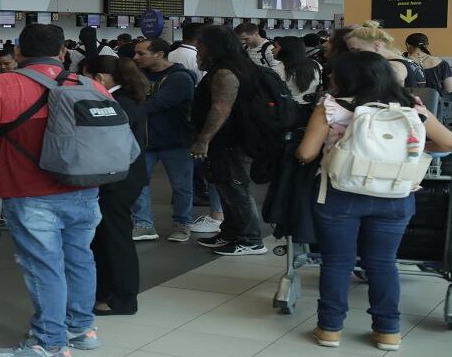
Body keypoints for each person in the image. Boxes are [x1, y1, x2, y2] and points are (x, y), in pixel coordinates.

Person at [0, 23, 104, 357]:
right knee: (80, 259)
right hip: (85, 190)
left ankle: (50, 346)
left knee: (43, 267)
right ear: (63, 53)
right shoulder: (90, 85)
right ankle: (81, 329)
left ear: (20, 53)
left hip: (30, 192)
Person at [296, 51, 452, 351]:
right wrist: (417, 148)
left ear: (347, 77)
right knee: (383, 263)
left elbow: (306, 153)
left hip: (340, 194)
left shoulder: (331, 107)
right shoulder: (413, 106)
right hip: (395, 195)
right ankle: (388, 331)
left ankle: (330, 329)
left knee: (336, 262)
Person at [192, 25, 267, 256]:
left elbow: (221, 108)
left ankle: (251, 239)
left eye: (200, 45)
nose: (197, 50)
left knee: (236, 189)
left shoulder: (226, 71)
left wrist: (203, 139)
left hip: (231, 140)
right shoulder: (235, 65)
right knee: (225, 186)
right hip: (228, 140)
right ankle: (232, 232)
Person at [83, 55, 147, 316]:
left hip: (117, 180)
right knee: (107, 239)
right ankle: (106, 292)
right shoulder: (129, 99)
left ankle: (122, 299)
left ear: (99, 78)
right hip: (125, 177)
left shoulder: (116, 103)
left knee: (115, 239)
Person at [130, 38, 202, 243]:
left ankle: (182, 223)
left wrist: (128, 108)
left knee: (182, 186)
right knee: (139, 184)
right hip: (145, 140)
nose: (136, 57)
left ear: (159, 54)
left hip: (177, 141)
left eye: (141, 53)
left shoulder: (180, 78)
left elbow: (153, 104)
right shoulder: (138, 75)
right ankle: (143, 224)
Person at [347, 21, 424, 88]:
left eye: (357, 50)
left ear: (376, 46)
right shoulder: (403, 60)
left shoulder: (394, 66)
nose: (353, 55)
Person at [273, 36, 322, 126]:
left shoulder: (276, 70)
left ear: (286, 49)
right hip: (312, 111)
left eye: (276, 47)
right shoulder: (316, 65)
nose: (272, 50)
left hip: (286, 112)